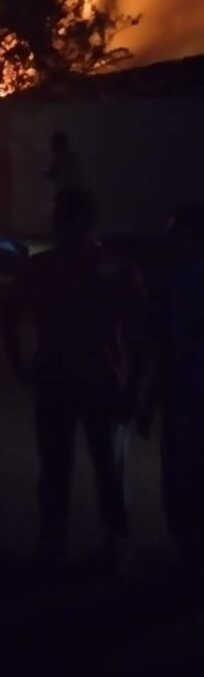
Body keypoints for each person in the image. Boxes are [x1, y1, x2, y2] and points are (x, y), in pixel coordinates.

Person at [1, 188, 145, 571]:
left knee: (54, 465)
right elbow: (141, 331)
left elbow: (8, 315)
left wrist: (19, 365)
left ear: (58, 220)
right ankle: (115, 541)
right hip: (103, 377)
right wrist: (133, 386)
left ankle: (53, 542)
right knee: (108, 464)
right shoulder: (117, 267)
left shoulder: (42, 267)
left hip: (54, 376)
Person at [138, 205, 204, 571]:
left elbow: (169, 346)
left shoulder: (181, 282)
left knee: (183, 473)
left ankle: (189, 550)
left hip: (187, 394)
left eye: (175, 230)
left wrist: (149, 399)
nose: (169, 237)